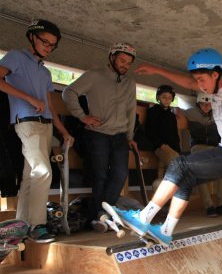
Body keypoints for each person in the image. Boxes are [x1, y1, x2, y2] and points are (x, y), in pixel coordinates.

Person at [113, 48, 222, 244]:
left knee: (179, 165)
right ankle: (165, 230)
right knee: (185, 179)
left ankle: (143, 218)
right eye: (197, 80)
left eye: (202, 79)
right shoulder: (214, 88)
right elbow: (187, 82)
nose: (199, 85)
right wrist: (157, 70)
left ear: (216, 74)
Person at [0, 19, 73, 242]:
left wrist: (64, 132)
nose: (48, 47)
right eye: (44, 41)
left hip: (46, 125)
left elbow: (50, 106)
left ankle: (21, 226)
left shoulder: (46, 73)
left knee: (30, 177)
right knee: (43, 171)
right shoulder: (15, 56)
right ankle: (37, 225)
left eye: (52, 45)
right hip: (27, 122)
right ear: (32, 37)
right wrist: (28, 98)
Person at [62, 42, 138, 230]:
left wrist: (130, 136)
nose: (125, 66)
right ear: (111, 57)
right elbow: (68, 92)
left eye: (129, 63)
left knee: (121, 173)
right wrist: (83, 117)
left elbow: (131, 110)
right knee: (100, 176)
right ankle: (100, 217)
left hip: (120, 135)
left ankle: (101, 215)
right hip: (97, 134)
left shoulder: (130, 82)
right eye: (122, 60)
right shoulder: (94, 75)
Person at [184, 92, 222, 217]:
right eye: (203, 104)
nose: (206, 106)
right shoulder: (190, 113)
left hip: (214, 147)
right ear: (198, 104)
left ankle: (221, 205)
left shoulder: (218, 114)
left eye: (209, 104)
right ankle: (209, 206)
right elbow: (176, 111)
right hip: (198, 146)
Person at [145, 84, 181, 171]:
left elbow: (175, 134)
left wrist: (177, 150)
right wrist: (161, 145)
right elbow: (150, 131)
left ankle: (162, 182)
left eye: (169, 98)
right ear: (158, 97)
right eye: (164, 97)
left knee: (176, 160)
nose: (167, 100)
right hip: (159, 146)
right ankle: (170, 183)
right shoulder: (152, 112)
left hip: (172, 148)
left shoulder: (172, 116)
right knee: (174, 161)